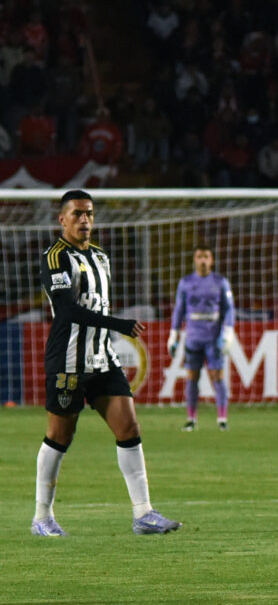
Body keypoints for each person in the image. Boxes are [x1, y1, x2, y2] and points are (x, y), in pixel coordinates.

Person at [33, 190, 181, 537]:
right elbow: (67, 311)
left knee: (129, 428)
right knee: (59, 436)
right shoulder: (54, 258)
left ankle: (143, 514)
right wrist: (120, 324)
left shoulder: (100, 256)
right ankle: (42, 517)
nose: (85, 220)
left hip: (102, 359)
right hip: (68, 361)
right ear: (62, 219)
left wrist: (111, 332)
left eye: (90, 214)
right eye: (78, 214)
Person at [168, 245, 236, 432]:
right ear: (194, 260)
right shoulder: (186, 282)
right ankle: (191, 419)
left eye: (206, 256)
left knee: (217, 376)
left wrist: (228, 332)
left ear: (212, 260)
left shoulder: (221, 282)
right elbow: (179, 309)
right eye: (199, 256)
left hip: (214, 337)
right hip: (193, 337)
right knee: (192, 377)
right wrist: (173, 334)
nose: (203, 260)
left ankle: (222, 419)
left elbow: (229, 308)